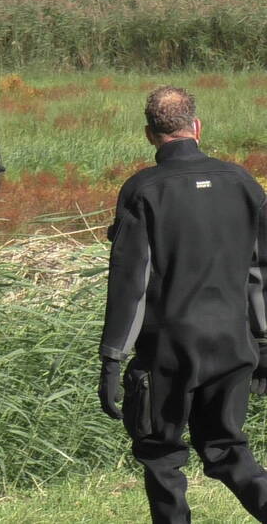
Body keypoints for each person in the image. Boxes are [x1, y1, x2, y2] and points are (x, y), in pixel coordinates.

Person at [98, 86, 267, 523]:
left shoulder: (142, 190)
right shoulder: (243, 183)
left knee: (160, 455)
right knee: (227, 449)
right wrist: (263, 344)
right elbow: (260, 273)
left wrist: (112, 358)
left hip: (169, 350)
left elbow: (130, 282)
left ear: (149, 135)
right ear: (196, 127)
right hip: (233, 343)